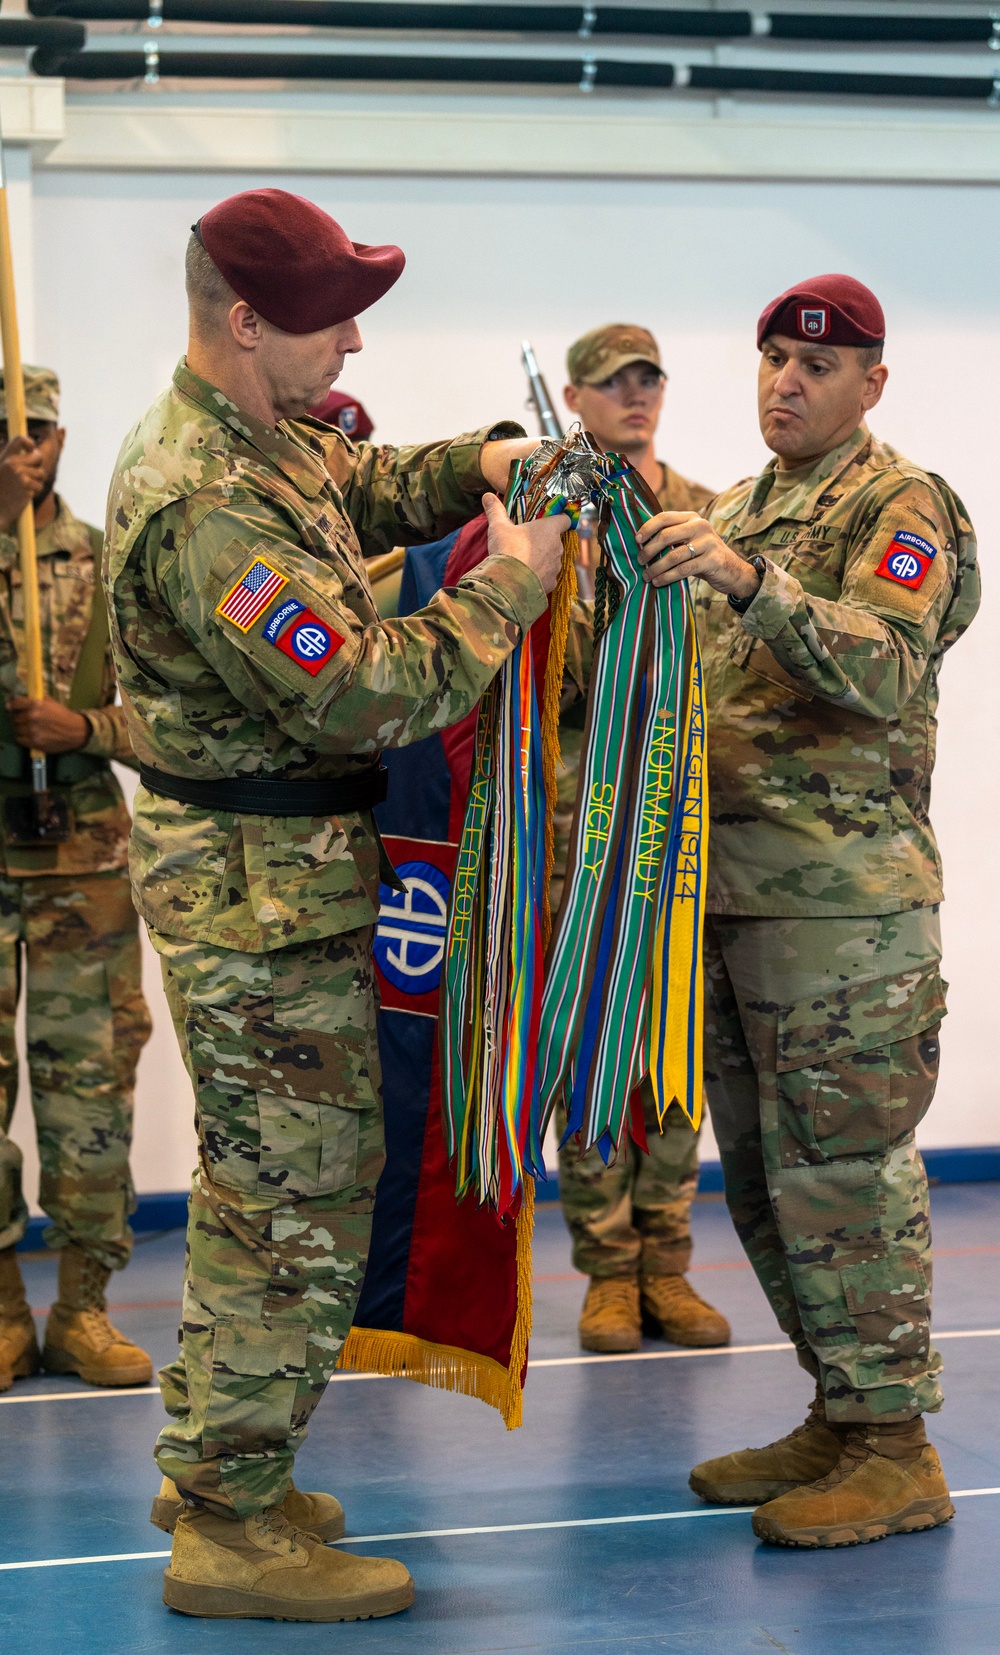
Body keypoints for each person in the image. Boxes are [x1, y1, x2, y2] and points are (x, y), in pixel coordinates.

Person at [103, 187, 567, 1622]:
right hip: (258, 903)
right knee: (287, 1203)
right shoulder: (204, 501)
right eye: (328, 319)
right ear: (245, 324)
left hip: (279, 886)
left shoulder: (263, 444)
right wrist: (508, 591)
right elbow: (364, 685)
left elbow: (355, 489)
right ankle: (231, 1523)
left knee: (267, 1190)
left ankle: (218, 1465)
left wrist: (475, 462)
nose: (355, 341)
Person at [635, 274, 978, 1549]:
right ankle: (842, 1410)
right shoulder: (737, 505)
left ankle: (896, 1447)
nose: (787, 380)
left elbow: (884, 667)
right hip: (728, 902)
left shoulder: (902, 501)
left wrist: (749, 580)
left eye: (818, 366)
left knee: (844, 1177)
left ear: (871, 383)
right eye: (774, 357)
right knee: (769, 1185)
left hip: (844, 914)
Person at [554, 323, 729, 1355]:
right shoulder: (556, 527)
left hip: (682, 831)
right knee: (591, 1051)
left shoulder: (709, 514)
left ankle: (666, 1263)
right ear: (573, 399)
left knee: (676, 1050)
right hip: (583, 831)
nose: (635, 397)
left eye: (647, 380)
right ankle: (606, 1271)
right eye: (614, 384)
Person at [0, 366, 152, 1394]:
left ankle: (85, 1305)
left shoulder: (107, 565)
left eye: (37, 431)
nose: (24, 449)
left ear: (61, 437)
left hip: (83, 859)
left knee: (90, 1085)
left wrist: (84, 728)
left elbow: (172, 716)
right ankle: (4, 1305)